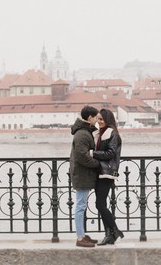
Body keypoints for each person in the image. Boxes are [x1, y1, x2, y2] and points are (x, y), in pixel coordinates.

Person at [92, 108, 124, 245]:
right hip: (100, 172)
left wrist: (93, 153)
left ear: (108, 120)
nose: (99, 121)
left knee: (99, 204)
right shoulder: (100, 133)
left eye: (101, 119)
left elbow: (110, 153)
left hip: (108, 172)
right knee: (101, 204)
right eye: (98, 119)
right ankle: (109, 235)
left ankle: (115, 230)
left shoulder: (112, 134)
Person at [70, 105, 101, 248]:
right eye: (95, 117)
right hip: (82, 174)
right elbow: (82, 157)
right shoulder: (82, 134)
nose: (97, 120)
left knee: (82, 205)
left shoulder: (83, 132)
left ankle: (82, 234)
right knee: (80, 206)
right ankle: (80, 238)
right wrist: (98, 164)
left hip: (83, 174)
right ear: (90, 118)